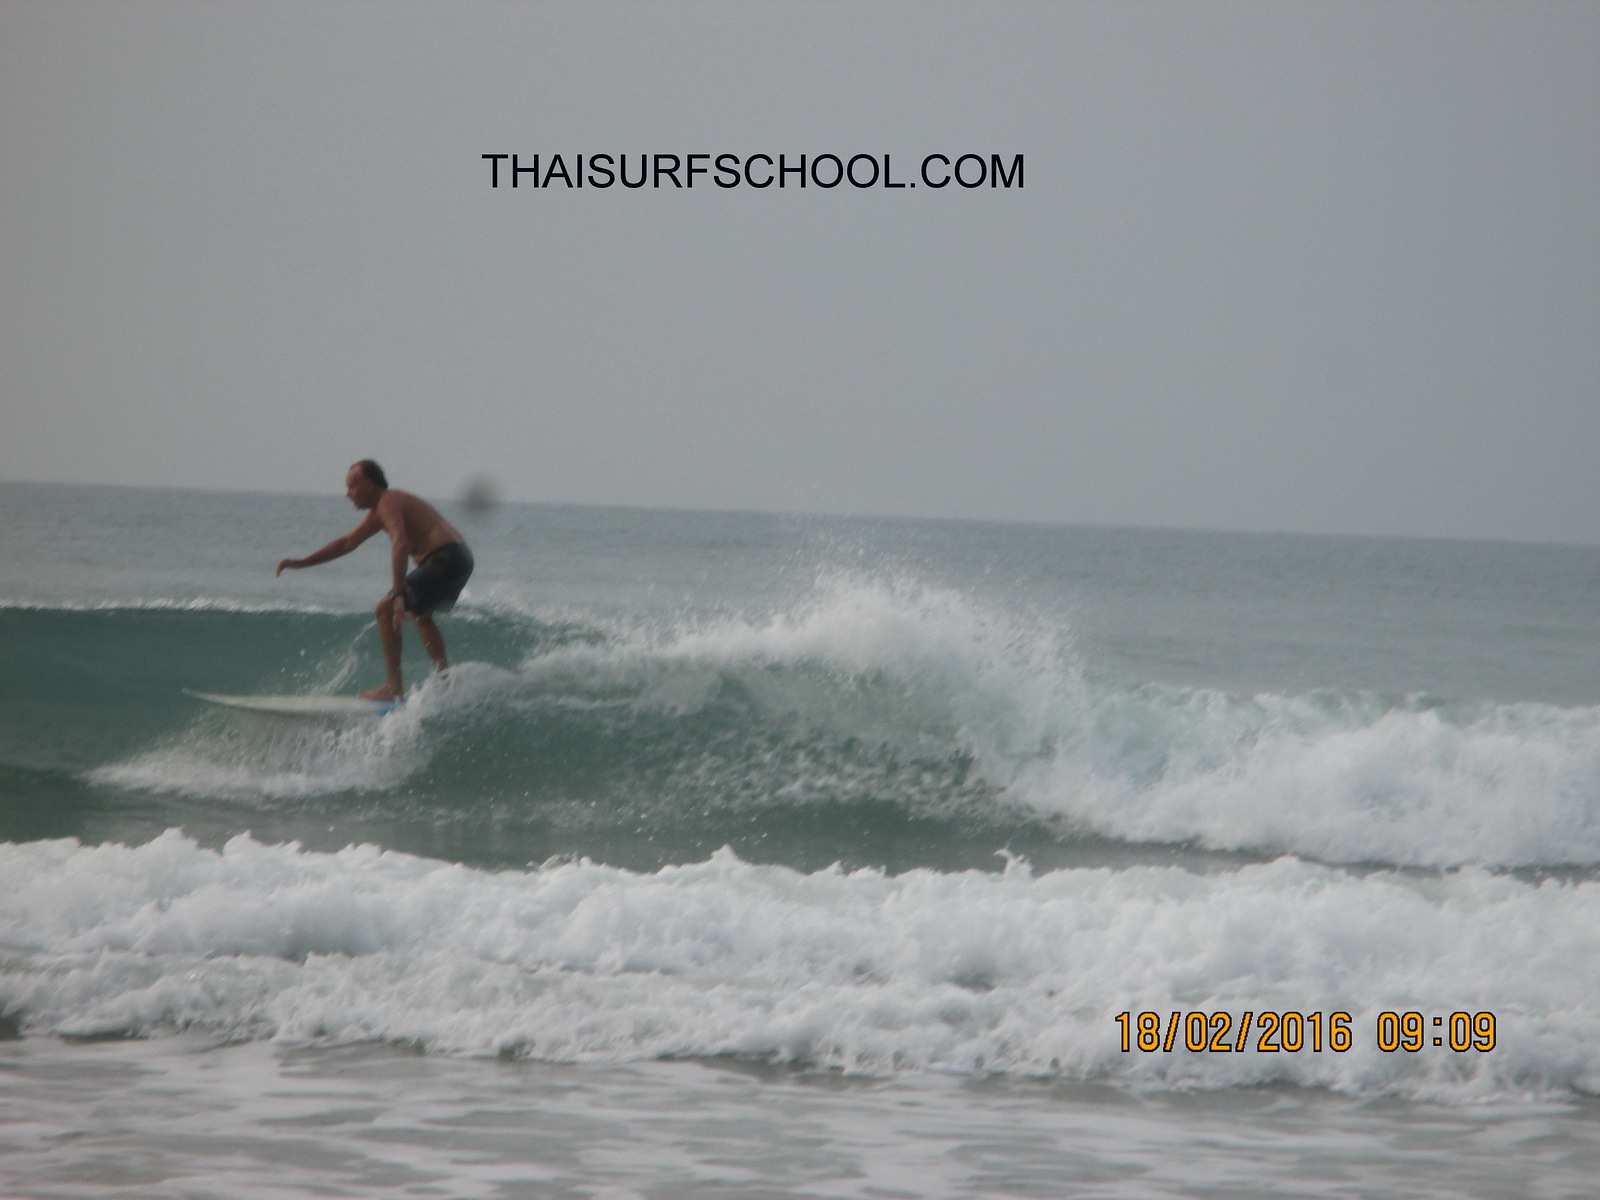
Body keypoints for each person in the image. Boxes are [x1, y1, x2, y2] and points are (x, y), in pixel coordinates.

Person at [276, 460, 474, 700]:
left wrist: (398, 594)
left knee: (384, 610)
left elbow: (400, 541)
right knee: (422, 616)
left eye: (353, 486)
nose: (348, 494)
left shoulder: (387, 501)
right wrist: (301, 563)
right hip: (460, 559)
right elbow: (346, 543)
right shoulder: (380, 512)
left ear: (371, 484)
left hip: (443, 558)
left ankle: (394, 686)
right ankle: (445, 683)